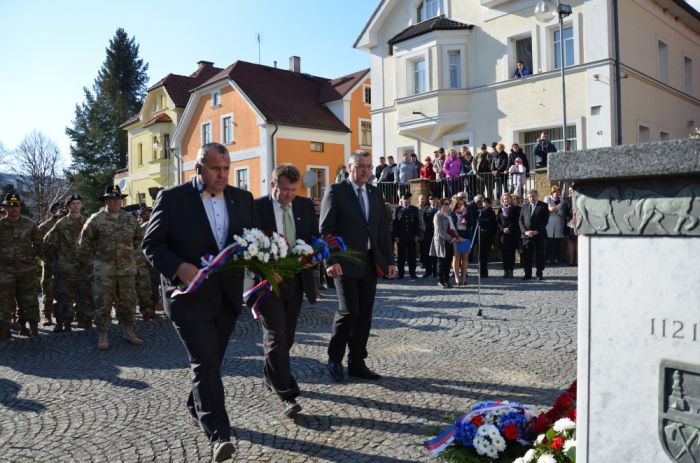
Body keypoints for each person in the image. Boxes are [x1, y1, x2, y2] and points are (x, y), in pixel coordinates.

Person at [143, 143, 255, 461]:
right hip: (187, 298)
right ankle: (219, 434)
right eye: (216, 168)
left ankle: (195, 404)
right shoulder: (173, 199)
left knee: (211, 362)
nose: (222, 175)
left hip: (226, 298)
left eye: (226, 168)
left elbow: (253, 239)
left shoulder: (242, 198)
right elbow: (151, 244)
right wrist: (179, 266)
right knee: (205, 363)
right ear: (199, 168)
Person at [320, 150, 396, 383]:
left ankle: (357, 362)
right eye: (361, 166)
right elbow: (325, 230)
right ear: (349, 167)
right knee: (348, 310)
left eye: (369, 166)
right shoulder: (336, 191)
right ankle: (335, 359)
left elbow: (381, 230)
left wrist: (390, 260)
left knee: (364, 314)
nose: (365, 170)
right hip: (344, 262)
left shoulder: (374, 192)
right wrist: (330, 261)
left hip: (370, 263)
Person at [252, 163, 318, 418]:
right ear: (273, 186)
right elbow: (247, 245)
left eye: (293, 189)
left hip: (296, 281)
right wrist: (265, 271)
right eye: (284, 189)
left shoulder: (302, 206)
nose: (289, 195)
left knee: (286, 338)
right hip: (267, 284)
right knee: (276, 337)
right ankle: (288, 395)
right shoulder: (257, 208)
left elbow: (313, 237)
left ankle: (271, 374)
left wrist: (314, 255)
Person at [79, 185, 145, 350]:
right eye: (111, 198)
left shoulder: (130, 219)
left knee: (128, 302)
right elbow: (84, 243)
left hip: (127, 269)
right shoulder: (96, 219)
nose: (115, 201)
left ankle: (129, 331)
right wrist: (94, 262)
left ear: (121, 201)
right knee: (103, 302)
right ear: (106, 200)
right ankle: (103, 334)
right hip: (104, 270)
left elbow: (139, 239)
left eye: (118, 198)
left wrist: (132, 256)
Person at [43, 194, 94, 333]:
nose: (76, 206)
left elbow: (95, 241)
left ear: (81, 205)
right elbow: (48, 241)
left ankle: (85, 320)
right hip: (66, 266)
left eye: (78, 203)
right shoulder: (62, 223)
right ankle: (62, 322)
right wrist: (56, 259)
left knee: (85, 294)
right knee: (63, 295)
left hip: (84, 266)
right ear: (68, 206)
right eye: (73, 204)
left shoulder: (88, 222)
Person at [0, 193, 42, 339]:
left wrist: (30, 256)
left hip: (26, 270)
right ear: (5, 207)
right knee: (4, 301)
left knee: (29, 300)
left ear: (20, 207)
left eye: (16, 206)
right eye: (10, 206)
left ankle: (32, 327)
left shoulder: (29, 224)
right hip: (5, 271)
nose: (13, 209)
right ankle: (4, 331)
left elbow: (39, 244)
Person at [38, 201, 65, 326]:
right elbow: (37, 245)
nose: (59, 211)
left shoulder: (67, 223)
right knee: (48, 290)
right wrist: (44, 258)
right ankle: (47, 316)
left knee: (66, 290)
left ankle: (67, 314)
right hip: (49, 263)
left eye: (61, 209)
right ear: (52, 211)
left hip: (65, 263)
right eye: (57, 209)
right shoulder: (44, 226)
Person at [519, 189, 549, 280]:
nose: (531, 198)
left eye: (533, 196)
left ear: (537, 196)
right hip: (527, 235)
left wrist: (537, 231)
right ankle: (527, 274)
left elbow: (545, 221)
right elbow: (520, 220)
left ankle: (539, 273)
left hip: (539, 235)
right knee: (527, 255)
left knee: (539, 255)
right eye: (530, 196)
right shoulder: (524, 206)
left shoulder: (543, 206)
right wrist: (525, 231)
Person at [430, 199, 459, 289]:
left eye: (448, 204)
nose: (448, 205)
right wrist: (450, 238)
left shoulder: (449, 216)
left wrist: (456, 236)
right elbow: (439, 230)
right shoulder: (437, 215)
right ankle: (440, 280)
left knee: (448, 261)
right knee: (441, 261)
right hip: (442, 241)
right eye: (446, 204)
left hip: (451, 241)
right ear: (441, 205)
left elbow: (453, 228)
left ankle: (447, 280)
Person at [135, 206, 157, 321]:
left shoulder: (145, 226)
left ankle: (149, 312)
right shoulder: (143, 226)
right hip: (141, 262)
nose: (149, 214)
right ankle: (148, 312)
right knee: (145, 288)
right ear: (141, 215)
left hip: (149, 262)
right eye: (146, 213)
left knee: (150, 288)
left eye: (150, 212)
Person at [392, 192, 420, 279]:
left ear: (410, 200)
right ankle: (401, 273)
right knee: (401, 256)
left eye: (407, 199)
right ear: (401, 199)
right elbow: (395, 223)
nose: (405, 201)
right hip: (401, 237)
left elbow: (416, 223)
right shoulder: (398, 209)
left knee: (412, 256)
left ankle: (412, 273)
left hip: (411, 237)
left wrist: (416, 235)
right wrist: (396, 236)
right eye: (404, 199)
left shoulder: (414, 209)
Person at [497, 193, 520, 278]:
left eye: (507, 199)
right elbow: (498, 221)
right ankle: (505, 270)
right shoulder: (500, 210)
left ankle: (511, 271)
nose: (506, 201)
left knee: (511, 254)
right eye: (504, 199)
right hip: (503, 235)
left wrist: (509, 228)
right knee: (504, 254)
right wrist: (502, 229)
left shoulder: (514, 209)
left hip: (512, 234)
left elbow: (516, 221)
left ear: (510, 199)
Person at [451, 197, 470, 286]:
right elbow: (452, 227)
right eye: (459, 204)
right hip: (456, 236)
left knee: (465, 257)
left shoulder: (467, 212)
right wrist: (458, 237)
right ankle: (457, 278)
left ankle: (464, 278)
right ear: (456, 204)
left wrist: (465, 214)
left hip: (465, 235)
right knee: (456, 257)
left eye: (463, 204)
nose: (461, 206)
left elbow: (472, 222)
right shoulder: (452, 214)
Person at [544, 185, 565, 265]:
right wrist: (550, 209)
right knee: (548, 242)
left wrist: (557, 211)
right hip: (549, 223)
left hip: (558, 223)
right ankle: (548, 258)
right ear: (552, 193)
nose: (556, 194)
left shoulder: (562, 201)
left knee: (557, 243)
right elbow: (545, 209)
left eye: (558, 192)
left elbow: (563, 212)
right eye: (555, 192)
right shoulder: (547, 199)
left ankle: (556, 258)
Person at [477, 197, 497, 278]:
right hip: (480, 236)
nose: (484, 204)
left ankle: (484, 272)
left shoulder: (491, 212)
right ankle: (481, 271)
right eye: (483, 202)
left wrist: (490, 233)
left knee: (485, 256)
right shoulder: (480, 211)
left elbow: (493, 226)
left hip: (488, 237)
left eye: (486, 203)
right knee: (480, 255)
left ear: (489, 204)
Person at [420, 194, 439, 278]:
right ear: (429, 200)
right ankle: (428, 271)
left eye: (434, 199)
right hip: (428, 234)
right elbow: (424, 221)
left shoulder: (439, 209)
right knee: (427, 253)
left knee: (436, 254)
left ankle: (436, 271)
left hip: (437, 233)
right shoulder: (426, 210)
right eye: (431, 199)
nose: (433, 201)